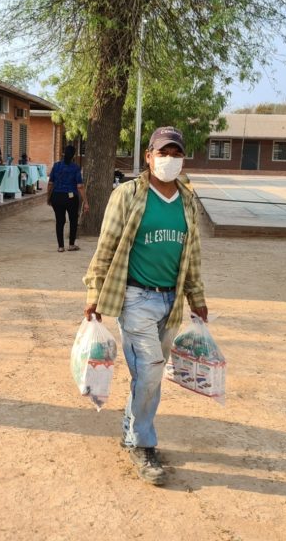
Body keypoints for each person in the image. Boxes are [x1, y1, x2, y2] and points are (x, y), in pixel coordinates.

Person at [82, 126, 209, 486]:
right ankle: (143, 444)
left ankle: (130, 430)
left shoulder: (186, 199)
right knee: (151, 372)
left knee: (146, 376)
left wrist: (196, 299)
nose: (169, 160)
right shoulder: (127, 195)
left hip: (172, 301)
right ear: (148, 157)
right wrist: (94, 293)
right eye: (162, 153)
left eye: (175, 153)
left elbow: (193, 254)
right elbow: (106, 246)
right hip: (136, 297)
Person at [48, 145, 88, 252]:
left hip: (57, 196)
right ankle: (71, 244)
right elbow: (79, 186)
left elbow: (50, 183)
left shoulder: (56, 166)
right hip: (71, 198)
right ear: (73, 156)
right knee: (73, 220)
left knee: (59, 221)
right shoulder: (75, 168)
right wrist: (85, 201)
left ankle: (60, 246)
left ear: (64, 153)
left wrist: (49, 197)